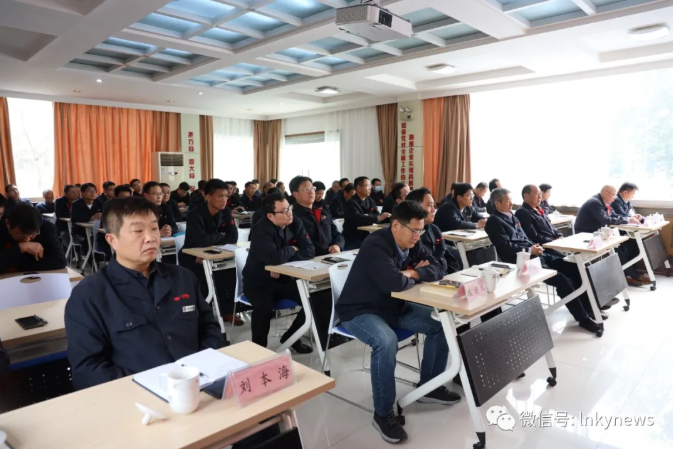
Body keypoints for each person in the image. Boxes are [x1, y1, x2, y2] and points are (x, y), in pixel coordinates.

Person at [65, 197, 224, 390]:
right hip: (137, 396)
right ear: (112, 240)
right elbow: (88, 370)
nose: (150, 238)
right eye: (138, 231)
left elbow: (209, 328)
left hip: (199, 384)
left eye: (154, 228)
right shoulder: (90, 295)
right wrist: (150, 386)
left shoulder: (183, 277)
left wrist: (202, 368)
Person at [336, 201, 460, 444]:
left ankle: (430, 386)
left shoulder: (411, 242)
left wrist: (412, 272)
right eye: (414, 231)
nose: (418, 237)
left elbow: (439, 267)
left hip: (394, 307)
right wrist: (411, 275)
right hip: (360, 311)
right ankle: (383, 413)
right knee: (386, 341)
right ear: (395, 226)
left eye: (421, 231)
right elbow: (394, 283)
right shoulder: (375, 244)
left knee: (439, 324)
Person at [485, 188, 601, 333]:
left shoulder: (512, 217)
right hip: (522, 262)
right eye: (507, 201)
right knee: (561, 280)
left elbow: (525, 238)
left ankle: (589, 309)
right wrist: (529, 250)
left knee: (575, 268)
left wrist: (534, 247)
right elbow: (505, 247)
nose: (511, 203)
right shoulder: (494, 221)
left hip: (537, 255)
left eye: (511, 200)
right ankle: (583, 318)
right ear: (497, 203)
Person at [243, 192, 315, 353]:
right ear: (270, 215)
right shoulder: (261, 229)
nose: (289, 213)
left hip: (284, 278)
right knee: (263, 308)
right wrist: (292, 248)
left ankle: (291, 337)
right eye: (283, 211)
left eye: (289, 208)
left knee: (314, 300)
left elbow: (309, 251)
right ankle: (259, 351)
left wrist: (281, 264)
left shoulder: (295, 222)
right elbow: (273, 257)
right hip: (259, 281)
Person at [179, 179, 240, 326]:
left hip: (216, 253)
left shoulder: (225, 211)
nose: (224, 200)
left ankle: (227, 311)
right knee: (205, 282)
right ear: (208, 197)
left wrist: (215, 238)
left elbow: (233, 236)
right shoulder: (195, 213)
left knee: (231, 274)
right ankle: (205, 315)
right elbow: (200, 240)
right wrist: (221, 235)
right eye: (220, 196)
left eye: (226, 196)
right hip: (192, 256)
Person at [574, 185, 644, 286]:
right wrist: (627, 220)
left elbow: (614, 215)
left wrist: (630, 218)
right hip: (585, 235)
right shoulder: (594, 202)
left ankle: (628, 275)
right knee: (615, 249)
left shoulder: (605, 202)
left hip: (597, 233)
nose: (615, 198)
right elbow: (605, 220)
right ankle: (632, 275)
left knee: (625, 244)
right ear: (605, 194)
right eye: (613, 195)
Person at [407, 188, 461, 274]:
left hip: (443, 276)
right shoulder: (408, 236)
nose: (433, 210)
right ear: (415, 207)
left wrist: (455, 274)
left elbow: (447, 256)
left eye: (433, 205)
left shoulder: (434, 229)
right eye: (429, 205)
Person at [0, 203, 66, 274]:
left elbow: (60, 261)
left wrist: (16, 267)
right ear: (7, 223)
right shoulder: (1, 228)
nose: (26, 240)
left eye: (32, 235)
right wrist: (20, 248)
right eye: (19, 234)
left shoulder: (45, 228)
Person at [291, 176, 344, 256]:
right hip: (311, 258)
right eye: (306, 189)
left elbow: (336, 233)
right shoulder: (292, 216)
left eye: (312, 188)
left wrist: (337, 245)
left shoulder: (323, 212)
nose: (311, 192)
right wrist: (327, 250)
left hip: (331, 256)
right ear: (295, 194)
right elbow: (301, 243)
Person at [343, 177, 390, 249]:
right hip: (353, 236)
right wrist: (375, 218)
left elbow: (376, 214)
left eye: (370, 186)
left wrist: (370, 217)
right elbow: (358, 218)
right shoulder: (351, 203)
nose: (370, 188)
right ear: (358, 188)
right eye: (367, 186)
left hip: (367, 234)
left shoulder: (370, 201)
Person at [71, 183, 104, 253]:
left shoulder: (100, 203)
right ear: (82, 193)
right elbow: (74, 218)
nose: (92, 193)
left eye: (94, 191)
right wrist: (90, 218)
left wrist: (103, 216)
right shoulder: (76, 204)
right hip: (80, 232)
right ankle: (90, 258)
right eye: (89, 191)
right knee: (88, 240)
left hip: (96, 230)